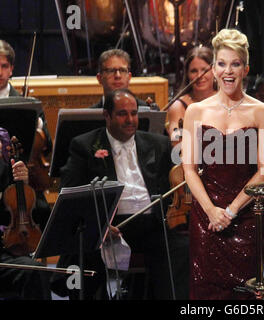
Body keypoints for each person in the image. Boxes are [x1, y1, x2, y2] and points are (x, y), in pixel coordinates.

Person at [52, 88, 189, 300]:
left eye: (134, 113)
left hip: (151, 223)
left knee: (181, 247)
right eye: (122, 114)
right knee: (84, 251)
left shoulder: (157, 143)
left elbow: (171, 189)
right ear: (106, 116)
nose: (130, 119)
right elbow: (71, 195)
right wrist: (100, 224)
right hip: (109, 226)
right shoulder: (84, 146)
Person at [181, 28, 264, 299]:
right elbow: (188, 169)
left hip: (245, 218)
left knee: (244, 294)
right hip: (206, 219)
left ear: (246, 69)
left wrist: (231, 211)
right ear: (213, 69)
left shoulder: (263, 112)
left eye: (235, 64)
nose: (228, 71)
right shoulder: (195, 111)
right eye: (222, 64)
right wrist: (212, 211)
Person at [0, 39, 52, 241]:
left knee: (42, 210)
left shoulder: (29, 104)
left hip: (24, 179)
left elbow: (46, 142)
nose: (0, 72)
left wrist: (38, 126)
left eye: (4, 66)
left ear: (11, 69)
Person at [0, 128, 51, 300]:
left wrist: (22, 183)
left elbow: (12, 209)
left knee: (34, 271)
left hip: (3, 252)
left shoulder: (4, 152)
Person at [166, 46, 217, 145]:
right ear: (187, 74)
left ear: (214, 71)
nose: (199, 76)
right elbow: (176, 144)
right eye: (194, 71)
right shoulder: (178, 106)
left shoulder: (226, 100)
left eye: (204, 70)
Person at [90, 49, 157, 110]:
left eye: (122, 70)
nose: (118, 76)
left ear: (129, 77)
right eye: (111, 71)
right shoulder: (88, 117)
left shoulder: (148, 110)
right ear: (99, 78)